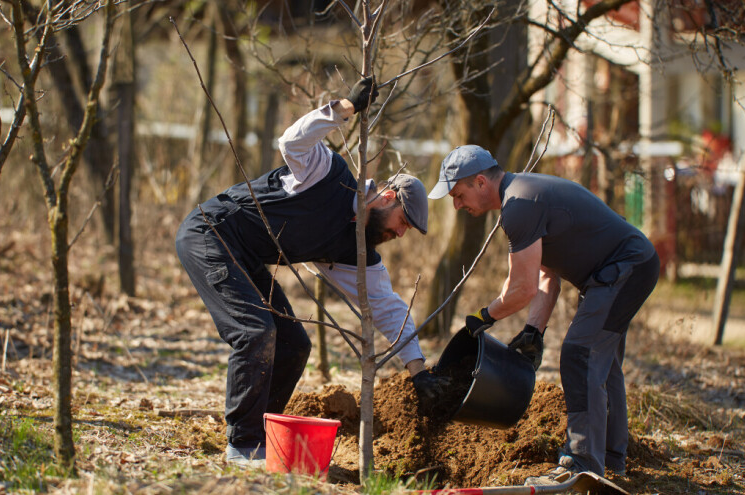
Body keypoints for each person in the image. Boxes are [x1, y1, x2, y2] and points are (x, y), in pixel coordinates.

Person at [176, 78, 449, 467]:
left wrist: (418, 371)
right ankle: (243, 445)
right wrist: (344, 109)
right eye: (403, 222)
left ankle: (260, 435)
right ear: (387, 197)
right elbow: (292, 142)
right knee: (256, 331)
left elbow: (388, 308)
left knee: (293, 344)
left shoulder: (356, 249)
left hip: (244, 255)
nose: (400, 234)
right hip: (210, 232)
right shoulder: (329, 176)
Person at [427, 145, 660, 483]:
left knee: (580, 354)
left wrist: (484, 316)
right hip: (620, 270)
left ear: (480, 182)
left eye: (458, 194)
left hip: (625, 269)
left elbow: (522, 289)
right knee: (600, 361)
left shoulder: (518, 206)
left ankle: (582, 462)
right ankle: (610, 459)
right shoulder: (523, 194)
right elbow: (545, 275)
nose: (457, 204)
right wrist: (533, 330)